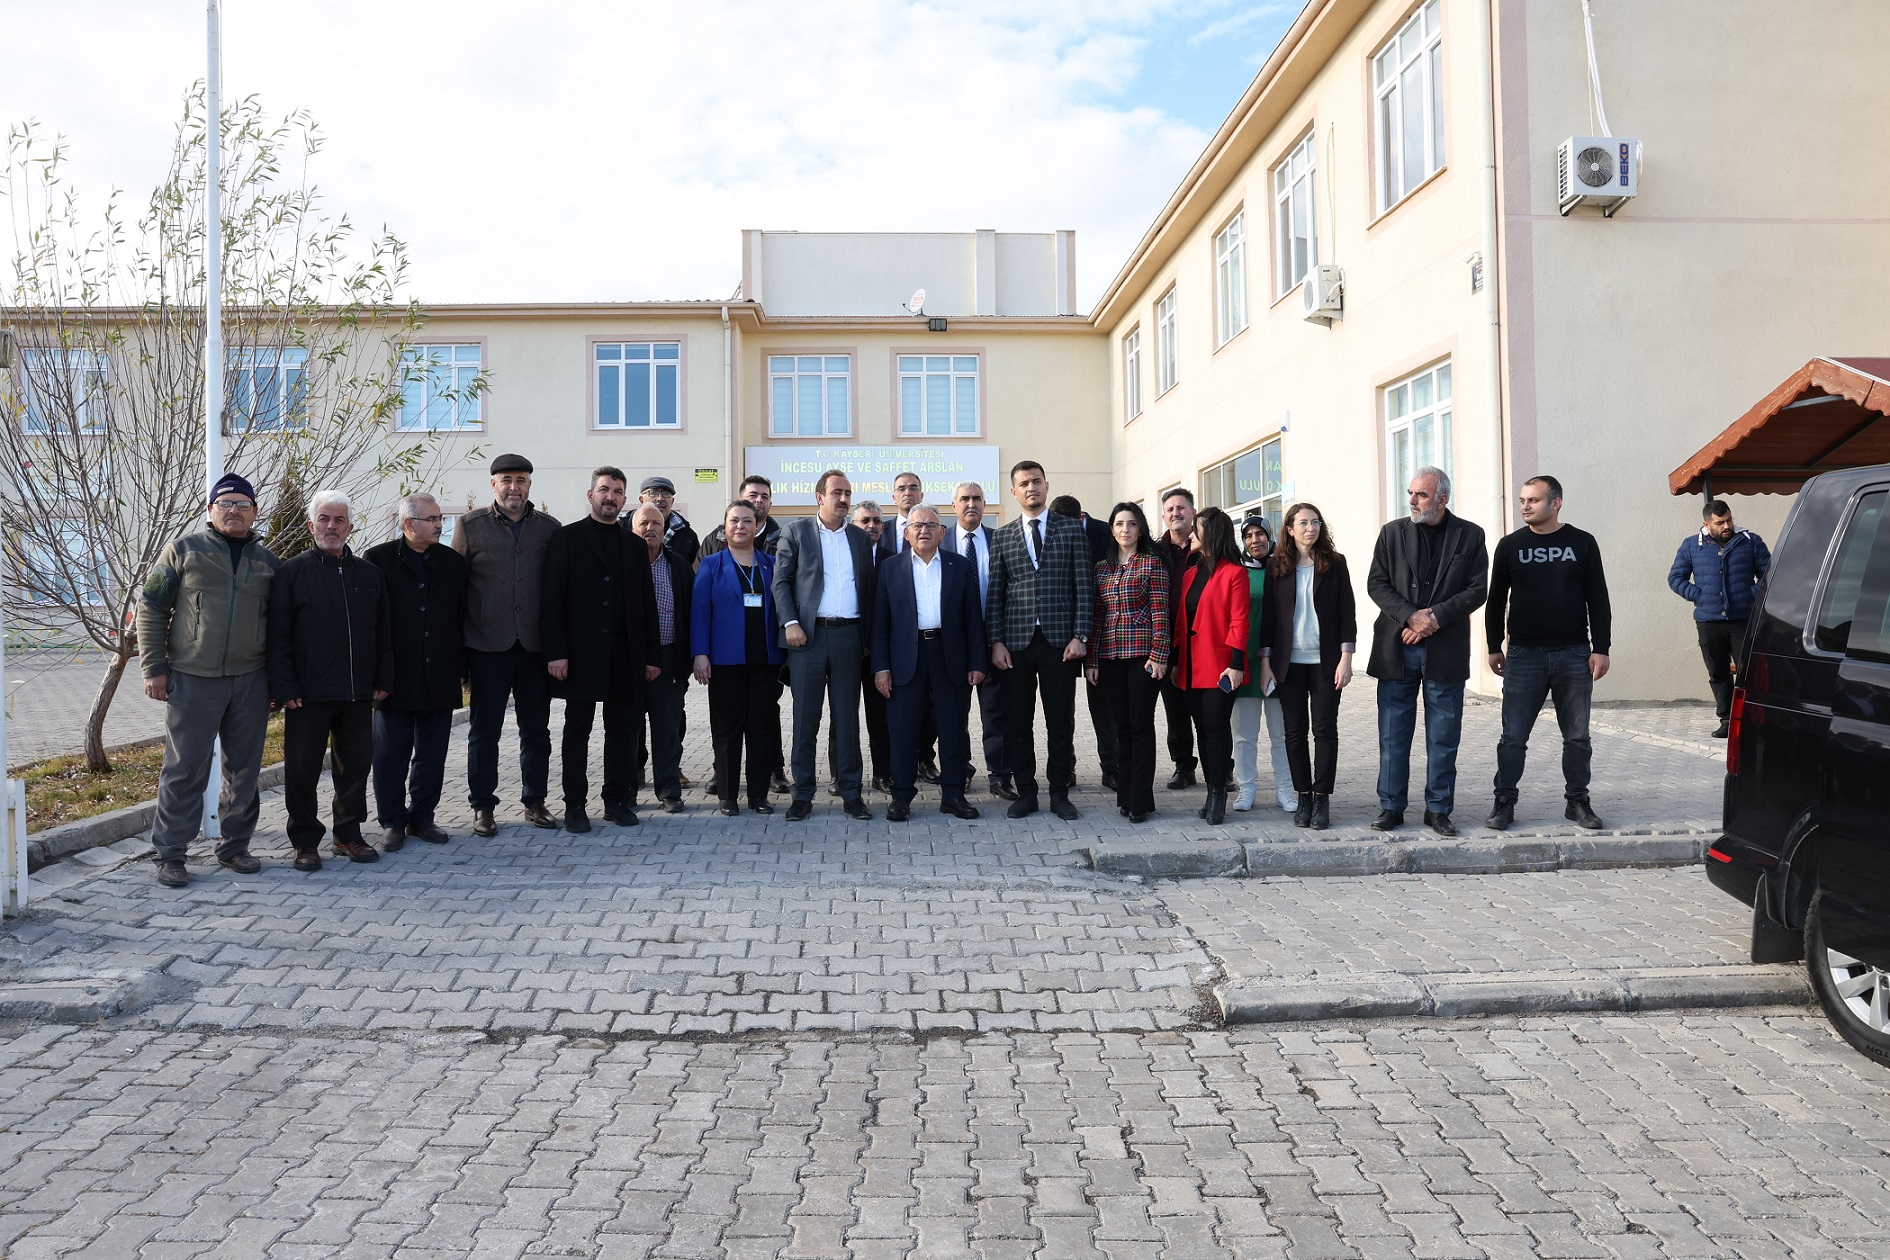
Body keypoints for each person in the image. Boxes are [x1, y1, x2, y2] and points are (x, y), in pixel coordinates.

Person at [137, 472, 281, 886]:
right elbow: (151, 608)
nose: (234, 510)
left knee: (245, 770)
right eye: (226, 503)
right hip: (192, 678)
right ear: (210, 509)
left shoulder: (268, 562)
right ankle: (171, 854)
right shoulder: (183, 551)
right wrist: (154, 667)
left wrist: (276, 682)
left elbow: (279, 627)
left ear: (255, 512)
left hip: (251, 680)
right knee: (185, 768)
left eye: (243, 504)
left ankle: (235, 846)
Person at [267, 489, 393, 870]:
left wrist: (383, 677)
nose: (331, 526)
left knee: (354, 768)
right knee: (302, 771)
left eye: (339, 520)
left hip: (357, 692)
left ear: (350, 527)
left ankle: (348, 834)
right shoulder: (290, 573)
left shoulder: (370, 575)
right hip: (307, 694)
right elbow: (277, 636)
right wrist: (284, 687)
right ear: (311, 526)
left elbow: (384, 633)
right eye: (324, 519)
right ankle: (305, 841)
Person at [1365, 467, 1489, 836]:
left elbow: (1476, 590)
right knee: (1393, 734)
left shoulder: (1470, 535)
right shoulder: (1391, 533)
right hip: (1397, 647)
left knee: (1443, 736)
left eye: (1421, 494)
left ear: (1442, 498)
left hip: (1445, 649)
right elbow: (1377, 583)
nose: (1413, 500)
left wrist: (1433, 618)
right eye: (1411, 493)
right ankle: (1391, 806)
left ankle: (1438, 809)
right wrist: (1410, 617)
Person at [1485, 475, 1612, 832]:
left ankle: (1578, 802)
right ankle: (1504, 802)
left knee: (1577, 737)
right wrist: (1494, 646)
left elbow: (1598, 598)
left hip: (1574, 654)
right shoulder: (1510, 545)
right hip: (1523, 655)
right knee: (1513, 737)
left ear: (1556, 503)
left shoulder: (1582, 543)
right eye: (1522, 500)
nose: (1525, 506)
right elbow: (1496, 600)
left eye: (1533, 500)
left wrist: (1601, 648)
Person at [542, 466, 661, 832]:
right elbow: (551, 600)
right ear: (591, 494)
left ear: (625, 500)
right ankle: (575, 805)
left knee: (623, 730)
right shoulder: (566, 538)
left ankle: (616, 801)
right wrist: (556, 652)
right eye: (605, 489)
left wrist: (651, 656)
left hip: (626, 655)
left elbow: (647, 603)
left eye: (618, 491)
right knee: (577, 730)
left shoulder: (634, 545)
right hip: (580, 655)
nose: (611, 496)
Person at [456, 453, 561, 837]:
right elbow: (457, 587)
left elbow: (557, 590)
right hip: (486, 647)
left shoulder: (549, 528)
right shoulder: (470, 526)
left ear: (529, 484)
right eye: (506, 480)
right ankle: (483, 806)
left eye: (520, 480)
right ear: (493, 484)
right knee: (484, 731)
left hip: (534, 648)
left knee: (536, 731)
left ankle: (535, 801)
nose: (513, 487)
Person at [986, 460, 1092, 820]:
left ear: (1046, 486)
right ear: (1013, 492)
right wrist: (995, 641)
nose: (1030, 487)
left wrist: (1080, 635)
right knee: (1017, 723)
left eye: (1036, 481)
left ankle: (1059, 793)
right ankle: (1026, 792)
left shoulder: (1071, 529)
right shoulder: (1002, 536)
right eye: (1023, 483)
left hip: (1060, 643)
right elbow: (995, 594)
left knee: (1060, 721)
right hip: (1015, 645)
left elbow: (1084, 587)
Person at [773, 468, 878, 821]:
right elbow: (780, 582)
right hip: (808, 638)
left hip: (849, 637)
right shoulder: (796, 532)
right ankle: (802, 795)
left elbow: (868, 589)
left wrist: (866, 639)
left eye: (847, 493)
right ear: (820, 497)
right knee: (806, 719)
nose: (844, 499)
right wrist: (790, 623)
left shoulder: (859, 538)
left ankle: (851, 793)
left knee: (847, 720)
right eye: (837, 493)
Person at [365, 492, 467, 851]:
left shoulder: (452, 562)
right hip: (395, 676)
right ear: (409, 524)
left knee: (432, 754)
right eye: (432, 519)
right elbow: (372, 622)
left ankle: (423, 817)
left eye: (440, 518)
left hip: (440, 672)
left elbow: (460, 616)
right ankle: (392, 821)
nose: (439, 525)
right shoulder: (378, 559)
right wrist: (377, 674)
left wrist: (461, 668)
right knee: (390, 754)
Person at [871, 506, 986, 821]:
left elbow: (972, 618)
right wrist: (881, 668)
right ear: (907, 533)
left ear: (942, 532)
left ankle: (953, 795)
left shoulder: (959, 566)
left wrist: (977, 662)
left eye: (931, 525)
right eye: (917, 525)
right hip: (905, 657)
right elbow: (880, 623)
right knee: (903, 729)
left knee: (953, 728)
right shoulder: (890, 568)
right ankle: (901, 797)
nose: (924, 530)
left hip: (949, 655)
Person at [1258, 502, 1356, 831]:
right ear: (1289, 529)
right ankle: (1303, 796)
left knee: (1325, 730)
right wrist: (1266, 663)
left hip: (1326, 662)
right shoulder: (1276, 566)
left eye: (1315, 522)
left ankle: (1322, 797)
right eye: (1303, 523)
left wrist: (1346, 659)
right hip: (1289, 664)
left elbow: (1347, 613)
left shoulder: (1335, 563)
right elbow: (1269, 619)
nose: (1310, 528)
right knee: (1294, 732)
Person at [691, 501, 783, 816]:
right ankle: (728, 796)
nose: (741, 526)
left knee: (761, 729)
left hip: (765, 662)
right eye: (734, 521)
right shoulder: (711, 565)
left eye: (747, 521)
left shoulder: (771, 564)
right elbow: (699, 612)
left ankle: (758, 795)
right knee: (727, 730)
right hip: (725, 663)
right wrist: (700, 653)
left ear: (757, 527)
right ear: (725, 527)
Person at [1085, 501, 1169, 823]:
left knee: (1140, 726)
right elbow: (1097, 616)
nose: (1125, 529)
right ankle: (1125, 795)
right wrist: (1092, 660)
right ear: (1112, 530)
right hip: (1110, 657)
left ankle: (1141, 800)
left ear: (1140, 529)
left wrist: (1159, 655)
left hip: (1143, 657)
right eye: (1119, 524)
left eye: (1132, 524)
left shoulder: (1152, 563)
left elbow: (1161, 613)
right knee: (1121, 727)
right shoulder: (1102, 568)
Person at [1171, 508, 1250, 825]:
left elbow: (1239, 621)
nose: (1190, 534)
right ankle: (1210, 791)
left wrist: (1236, 664)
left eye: (1196, 529)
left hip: (1221, 667)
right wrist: (1175, 662)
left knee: (1216, 730)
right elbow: (1181, 622)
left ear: (1212, 534)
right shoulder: (1191, 573)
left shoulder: (1235, 573)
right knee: (1202, 731)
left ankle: (1219, 794)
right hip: (1190, 667)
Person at [1668, 499, 1770, 738]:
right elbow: (1675, 578)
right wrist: (1698, 596)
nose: (1727, 526)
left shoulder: (1750, 541)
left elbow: (1769, 574)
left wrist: (1750, 596)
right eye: (1720, 522)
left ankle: (1752, 720)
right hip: (1709, 622)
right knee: (1718, 673)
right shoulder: (1692, 545)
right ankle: (1726, 719)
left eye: (1729, 520)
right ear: (1707, 524)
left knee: (1749, 672)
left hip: (1742, 621)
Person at [1053, 493, 1119, 791]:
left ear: (1081, 519)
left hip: (1102, 629)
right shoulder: (1050, 533)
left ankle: (1112, 767)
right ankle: (1066, 767)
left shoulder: (1107, 533)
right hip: (1062, 633)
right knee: (1062, 705)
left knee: (1104, 703)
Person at [1230, 516, 1294, 814]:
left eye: (1260, 534)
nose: (1255, 540)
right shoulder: (1238, 572)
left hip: (1279, 663)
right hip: (1246, 662)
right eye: (1248, 535)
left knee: (1282, 732)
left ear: (1270, 536)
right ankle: (1246, 787)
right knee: (1244, 734)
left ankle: (1285, 788)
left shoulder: (1284, 569)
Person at [952, 481, 1011, 800]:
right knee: (955, 713)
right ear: (954, 505)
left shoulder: (1000, 539)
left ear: (984, 504)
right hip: (954, 642)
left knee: (996, 712)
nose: (971, 503)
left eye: (977, 498)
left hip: (992, 638)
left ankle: (1000, 775)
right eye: (964, 499)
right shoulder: (940, 540)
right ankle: (960, 771)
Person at [632, 503, 693, 814]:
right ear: (633, 529)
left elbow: (691, 613)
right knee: (628, 727)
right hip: (629, 662)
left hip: (669, 660)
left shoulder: (677, 565)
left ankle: (668, 790)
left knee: (667, 730)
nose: (650, 529)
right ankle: (626, 788)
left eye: (656, 523)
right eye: (644, 523)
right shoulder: (623, 564)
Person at [1154, 487, 1200, 790]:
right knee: (1176, 708)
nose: (1175, 513)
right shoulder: (1156, 551)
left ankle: (1222, 768)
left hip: (1203, 638)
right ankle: (1183, 766)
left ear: (1193, 512)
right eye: (1170, 509)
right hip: (1168, 639)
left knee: (1210, 708)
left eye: (1181, 508)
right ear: (1163, 516)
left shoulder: (1207, 547)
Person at [850, 500, 893, 791]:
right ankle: (843, 776)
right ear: (853, 526)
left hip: (881, 654)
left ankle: (883, 774)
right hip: (847, 649)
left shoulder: (894, 560)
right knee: (844, 717)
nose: (871, 526)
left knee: (881, 717)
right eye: (864, 520)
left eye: (877, 521)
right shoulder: (842, 557)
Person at [700, 474, 783, 558]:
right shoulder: (715, 540)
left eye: (764, 497)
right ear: (739, 501)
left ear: (770, 504)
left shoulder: (782, 541)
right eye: (753, 495)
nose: (759, 500)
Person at [638, 474, 699, 569]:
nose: (660, 498)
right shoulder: (624, 527)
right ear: (641, 500)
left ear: (672, 501)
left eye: (666, 493)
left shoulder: (688, 536)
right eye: (653, 492)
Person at [885, 471, 925, 555]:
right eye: (901, 489)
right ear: (894, 497)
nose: (907, 493)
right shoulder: (882, 531)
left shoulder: (934, 530)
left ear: (921, 496)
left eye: (913, 488)